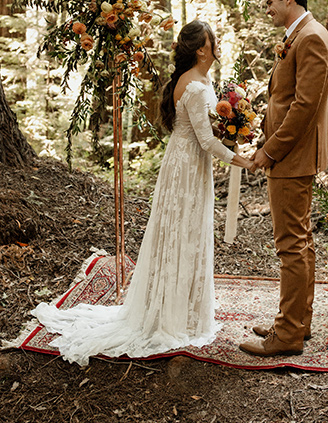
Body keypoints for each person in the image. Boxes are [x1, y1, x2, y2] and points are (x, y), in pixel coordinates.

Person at [33, 20, 253, 366]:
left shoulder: (202, 80)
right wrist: (241, 159)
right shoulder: (194, 86)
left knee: (188, 232)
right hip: (186, 168)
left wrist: (234, 128)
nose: (218, 44)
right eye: (214, 40)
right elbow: (207, 140)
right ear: (201, 48)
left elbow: (209, 130)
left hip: (189, 163)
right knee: (181, 232)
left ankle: (185, 308)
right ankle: (172, 316)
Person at [239, 0, 328, 358]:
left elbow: (304, 107)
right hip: (291, 152)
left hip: (292, 156)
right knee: (301, 241)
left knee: (290, 245)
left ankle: (289, 334)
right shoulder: (300, 35)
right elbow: (286, 97)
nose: (268, 10)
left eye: (270, 3)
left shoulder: (311, 37)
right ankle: (295, 320)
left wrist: (270, 150)